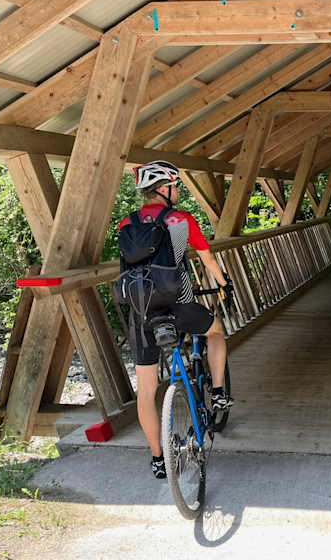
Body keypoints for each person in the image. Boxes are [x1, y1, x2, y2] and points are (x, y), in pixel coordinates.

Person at [118, 160, 233, 479]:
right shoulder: (181, 219)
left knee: (146, 390)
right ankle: (220, 391)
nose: (179, 190)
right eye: (176, 185)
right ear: (163, 189)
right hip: (179, 306)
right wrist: (223, 283)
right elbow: (207, 256)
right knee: (215, 332)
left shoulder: (125, 224)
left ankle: (158, 459)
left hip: (141, 313)